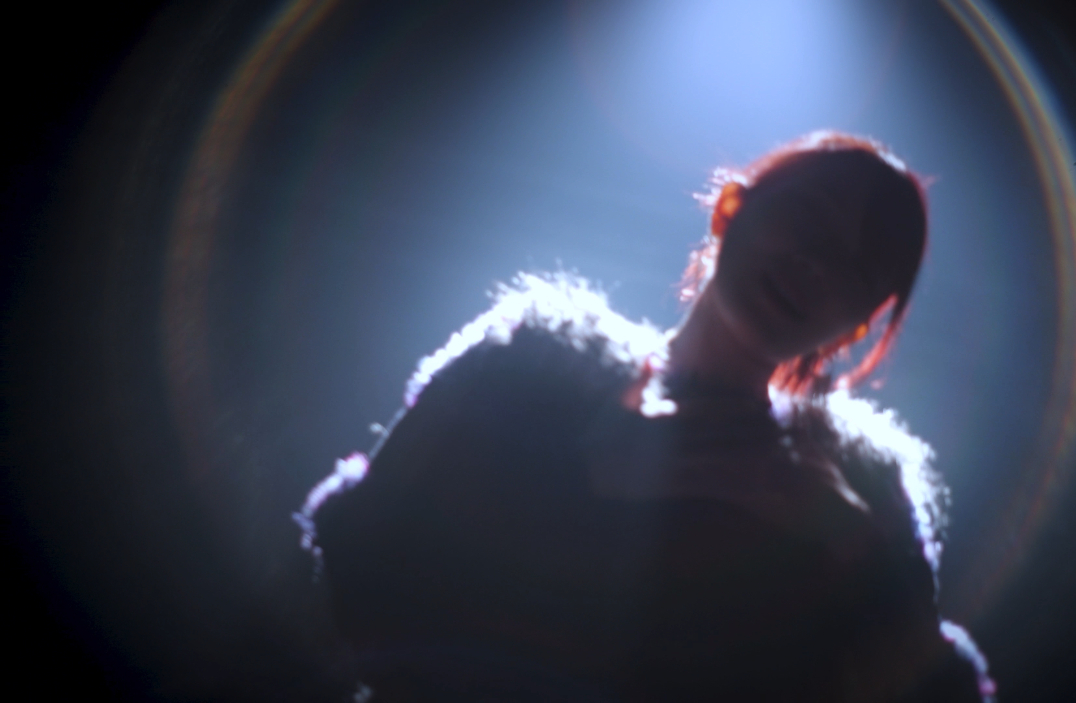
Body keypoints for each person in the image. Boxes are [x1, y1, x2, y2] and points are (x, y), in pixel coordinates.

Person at [297, 131, 995, 702]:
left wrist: (855, 548)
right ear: (730, 206)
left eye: (858, 266)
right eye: (808, 218)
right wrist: (573, 483)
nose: (815, 263)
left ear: (858, 327)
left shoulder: (863, 487)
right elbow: (352, 565)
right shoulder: (532, 361)